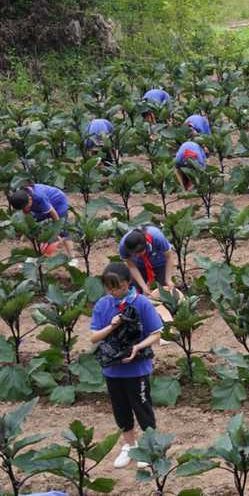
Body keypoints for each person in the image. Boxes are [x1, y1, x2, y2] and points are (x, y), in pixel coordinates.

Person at [89, 263, 163, 470]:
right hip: (112, 368)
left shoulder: (142, 303)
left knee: (142, 408)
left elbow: (157, 333)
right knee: (120, 410)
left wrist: (137, 348)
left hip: (137, 368)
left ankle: (149, 448)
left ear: (128, 282)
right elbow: (94, 337)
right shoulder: (103, 305)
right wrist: (111, 326)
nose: (114, 292)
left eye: (118, 287)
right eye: (109, 288)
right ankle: (130, 446)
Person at [118, 227, 176, 327]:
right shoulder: (123, 246)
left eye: (139, 253)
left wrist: (168, 278)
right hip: (139, 266)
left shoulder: (158, 238)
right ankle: (143, 320)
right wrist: (144, 286)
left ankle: (167, 319)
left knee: (164, 292)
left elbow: (169, 257)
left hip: (160, 262)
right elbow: (131, 265)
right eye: (134, 255)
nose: (136, 256)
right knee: (139, 292)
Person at [9, 184, 76, 260]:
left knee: (64, 231)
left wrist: (59, 226)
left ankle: (72, 258)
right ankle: (34, 257)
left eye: (26, 207)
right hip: (39, 208)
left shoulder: (39, 196)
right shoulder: (22, 200)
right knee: (31, 232)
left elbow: (52, 211)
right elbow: (27, 216)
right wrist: (27, 231)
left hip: (57, 204)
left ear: (30, 199)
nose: (26, 209)